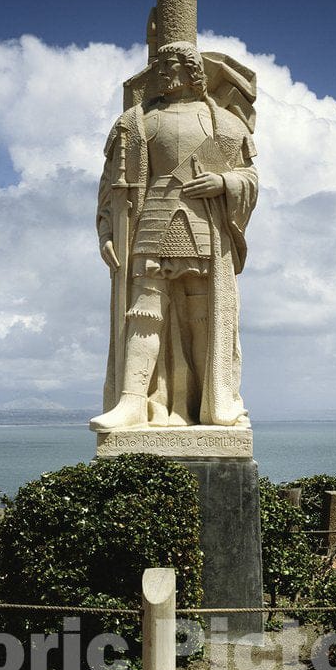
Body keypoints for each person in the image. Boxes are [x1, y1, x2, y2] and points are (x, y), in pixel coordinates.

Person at [90, 41, 258, 430]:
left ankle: (211, 402)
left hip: (205, 228)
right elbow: (109, 190)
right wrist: (105, 232)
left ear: (193, 71)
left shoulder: (226, 124)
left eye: (172, 65)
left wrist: (223, 180)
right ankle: (132, 403)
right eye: (160, 66)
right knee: (143, 315)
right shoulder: (135, 123)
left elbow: (249, 177)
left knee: (204, 318)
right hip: (150, 222)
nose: (164, 73)